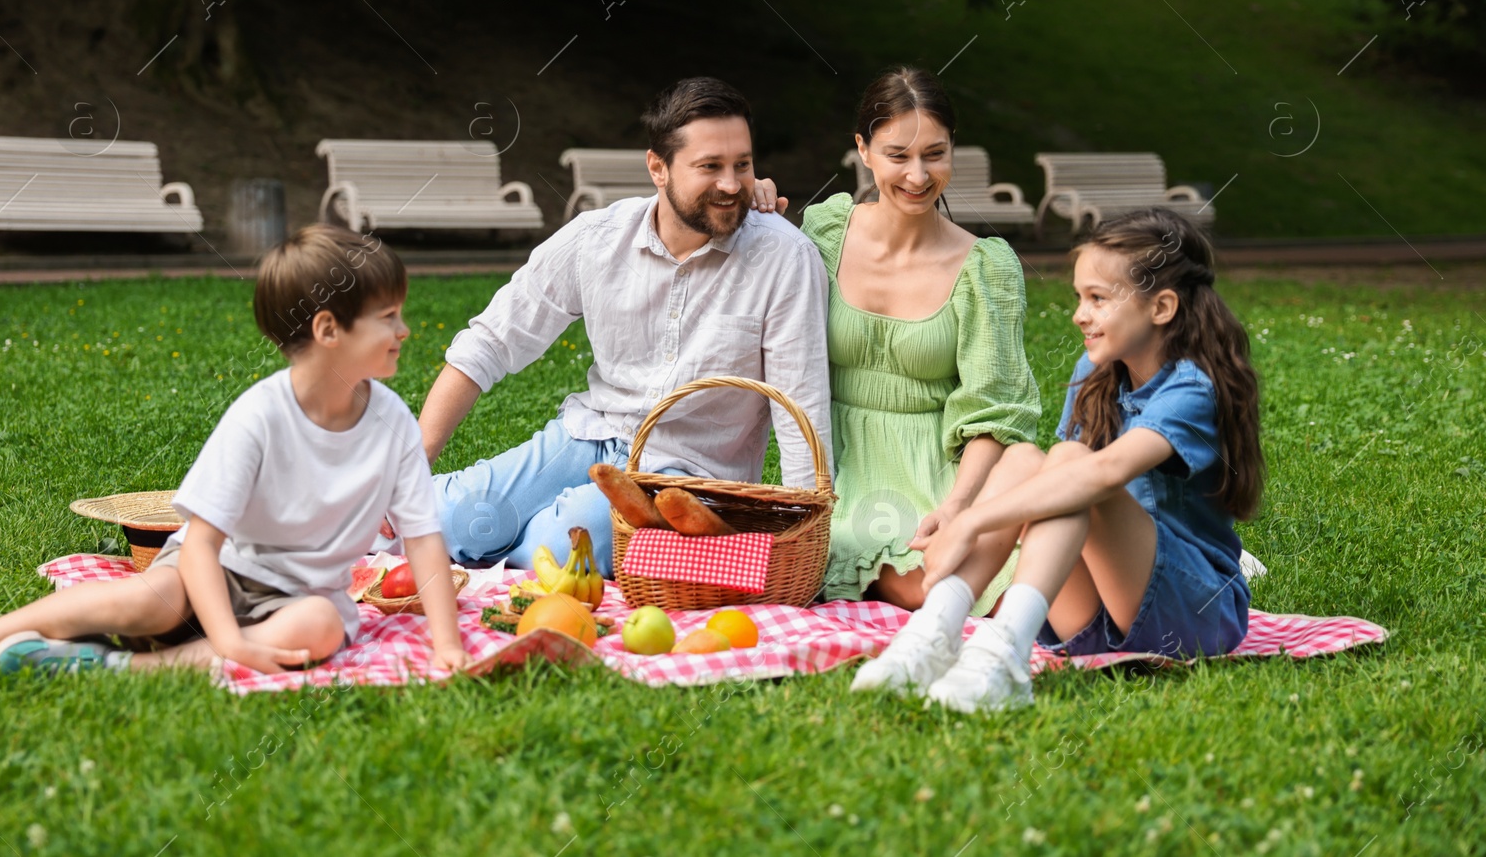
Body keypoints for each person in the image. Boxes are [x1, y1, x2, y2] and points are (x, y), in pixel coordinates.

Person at [0, 225, 468, 683]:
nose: (405, 329)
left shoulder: (392, 423)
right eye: (388, 316)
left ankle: (111, 668)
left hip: (297, 600)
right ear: (327, 329)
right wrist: (229, 641)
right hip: (207, 573)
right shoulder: (259, 416)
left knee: (318, 626)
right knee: (155, 600)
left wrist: (446, 646)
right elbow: (202, 548)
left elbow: (421, 537)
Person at [390, 76, 832, 577]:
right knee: (442, 518)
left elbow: (801, 406)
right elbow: (490, 342)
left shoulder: (785, 257)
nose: (732, 184)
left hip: (686, 475)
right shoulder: (598, 238)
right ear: (657, 168)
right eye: (710, 167)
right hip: (587, 437)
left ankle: (539, 544)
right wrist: (415, 465)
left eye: (743, 165)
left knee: (561, 544)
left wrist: (805, 539)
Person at [852, 207, 1264, 711]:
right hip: (1095, 622)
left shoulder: (1193, 389)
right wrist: (959, 511)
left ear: (1161, 307)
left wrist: (972, 519)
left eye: (1097, 299)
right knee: (1026, 457)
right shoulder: (1094, 373)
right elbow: (1060, 486)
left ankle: (1003, 656)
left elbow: (1104, 473)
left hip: (1195, 616)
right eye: (1078, 297)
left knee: (1070, 461)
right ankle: (935, 631)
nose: (1078, 314)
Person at [757, 66, 1041, 610]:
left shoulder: (987, 268)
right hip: (840, 471)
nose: (917, 175)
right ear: (862, 149)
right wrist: (754, 199)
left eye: (935, 153)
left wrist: (957, 506)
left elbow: (996, 410)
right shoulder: (823, 233)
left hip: (946, 469)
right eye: (897, 155)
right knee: (944, 587)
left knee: (1031, 581)